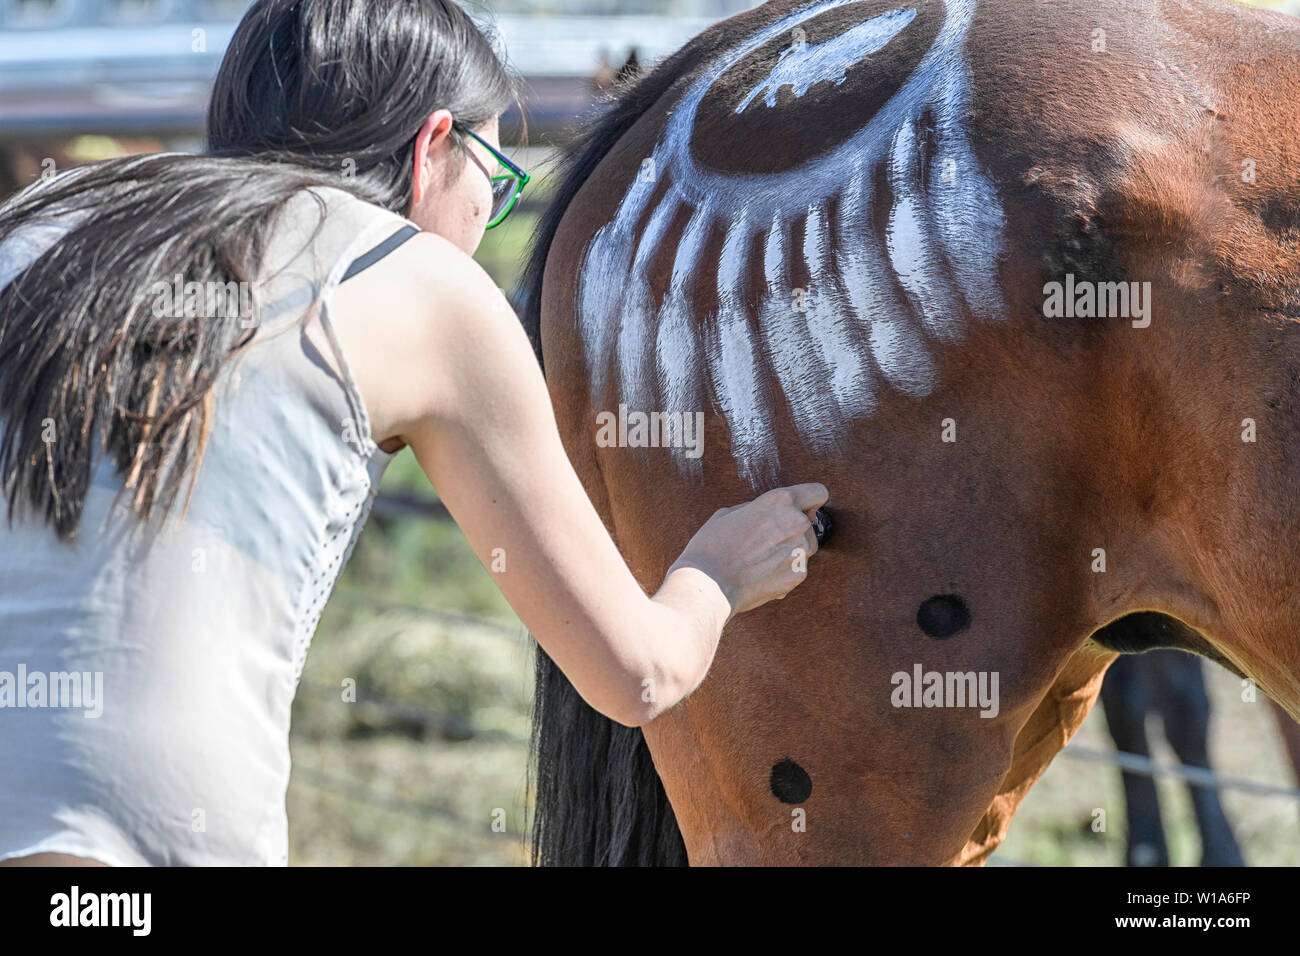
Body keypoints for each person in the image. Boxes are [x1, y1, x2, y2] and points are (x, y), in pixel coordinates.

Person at [0, 0, 827, 866]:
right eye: (497, 179)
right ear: (436, 146)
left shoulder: (42, 220)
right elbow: (638, 674)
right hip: (133, 842)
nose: (486, 219)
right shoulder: (411, 272)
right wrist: (715, 574)